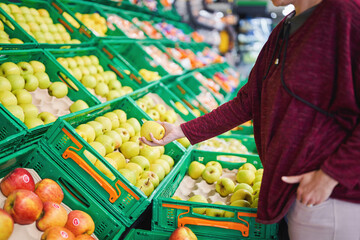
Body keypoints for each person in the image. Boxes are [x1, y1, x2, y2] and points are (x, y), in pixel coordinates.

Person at [140, 0, 360, 239]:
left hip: (331, 199)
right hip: (288, 192)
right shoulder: (284, 29)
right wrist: (182, 130)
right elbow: (247, 102)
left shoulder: (347, 14)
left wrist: (330, 176)